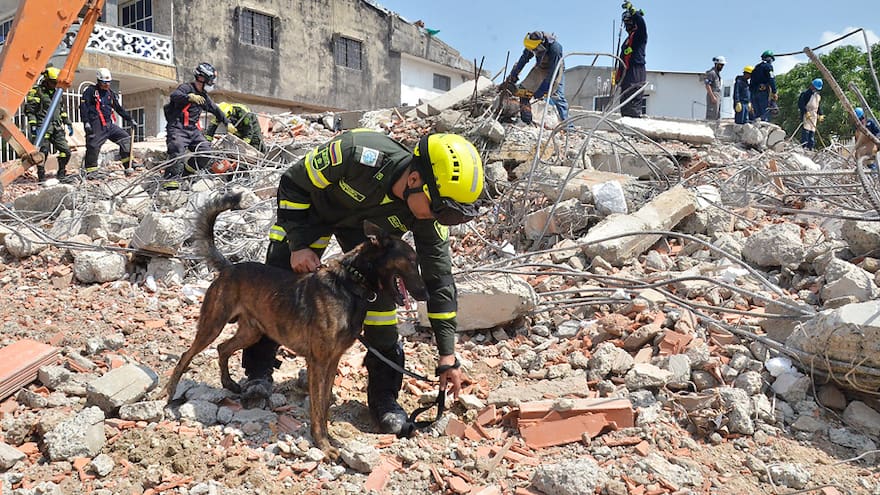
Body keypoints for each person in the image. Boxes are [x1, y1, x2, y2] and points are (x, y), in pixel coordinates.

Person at [248, 129, 484, 436]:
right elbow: (293, 182)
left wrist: (447, 355)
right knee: (276, 291)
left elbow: (439, 281)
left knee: (382, 313)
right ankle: (258, 372)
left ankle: (384, 401)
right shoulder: (356, 153)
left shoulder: (427, 216)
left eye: (451, 216)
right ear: (414, 180)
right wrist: (297, 245)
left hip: (366, 236)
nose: (441, 220)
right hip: (311, 213)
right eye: (441, 209)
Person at [162, 62, 232, 190]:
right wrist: (189, 97)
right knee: (177, 150)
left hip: (193, 130)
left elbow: (215, 109)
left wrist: (227, 122)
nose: (212, 84)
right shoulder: (186, 88)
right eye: (210, 81)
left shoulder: (204, 96)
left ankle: (187, 173)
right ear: (202, 78)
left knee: (206, 152)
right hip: (178, 128)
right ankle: (170, 181)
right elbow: (174, 96)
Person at [502, 31, 569, 125]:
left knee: (558, 97)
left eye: (535, 49)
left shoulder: (555, 48)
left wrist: (543, 89)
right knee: (524, 92)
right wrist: (513, 75)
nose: (534, 51)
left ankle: (568, 127)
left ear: (541, 43)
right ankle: (526, 120)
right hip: (541, 67)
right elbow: (523, 60)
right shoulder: (532, 44)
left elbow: (553, 72)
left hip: (556, 68)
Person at [80, 68, 135, 178]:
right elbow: (83, 107)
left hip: (109, 124)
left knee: (125, 139)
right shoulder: (90, 91)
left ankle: (128, 164)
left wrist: (129, 119)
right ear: (99, 81)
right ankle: (91, 172)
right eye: (104, 83)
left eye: (108, 82)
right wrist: (86, 122)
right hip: (96, 123)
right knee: (93, 145)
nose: (107, 85)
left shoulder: (110, 93)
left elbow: (118, 108)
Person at [24, 67, 73, 183]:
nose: (54, 84)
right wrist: (33, 125)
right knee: (43, 152)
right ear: (46, 80)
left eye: (56, 82)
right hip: (43, 127)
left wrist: (67, 122)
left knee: (66, 151)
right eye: (52, 82)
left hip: (56, 126)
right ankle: (41, 176)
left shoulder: (58, 92)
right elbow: (30, 110)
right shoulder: (37, 91)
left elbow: (61, 109)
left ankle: (61, 173)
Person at [614, 2, 647, 117]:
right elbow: (622, 58)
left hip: (636, 71)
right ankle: (625, 127)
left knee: (633, 100)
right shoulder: (628, 40)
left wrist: (634, 12)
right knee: (624, 100)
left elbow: (642, 24)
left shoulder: (640, 35)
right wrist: (618, 76)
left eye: (629, 22)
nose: (627, 25)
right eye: (625, 23)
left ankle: (633, 129)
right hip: (626, 73)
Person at [749, 50, 777, 122]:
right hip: (763, 93)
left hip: (754, 94)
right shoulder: (768, 67)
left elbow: (751, 82)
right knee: (765, 113)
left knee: (757, 115)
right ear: (769, 58)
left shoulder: (756, 68)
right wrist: (774, 92)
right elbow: (771, 79)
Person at [797, 78, 824, 150]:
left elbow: (818, 106)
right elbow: (801, 104)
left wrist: (820, 114)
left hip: (814, 115)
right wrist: (805, 112)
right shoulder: (805, 94)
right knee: (806, 130)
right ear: (812, 85)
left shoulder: (818, 96)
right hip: (807, 114)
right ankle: (804, 146)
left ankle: (810, 147)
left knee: (812, 131)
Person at [704, 56, 725, 120]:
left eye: (722, 65)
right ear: (716, 64)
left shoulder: (717, 74)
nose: (722, 67)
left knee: (717, 115)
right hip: (713, 94)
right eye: (720, 65)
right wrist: (712, 97)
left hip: (717, 94)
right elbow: (707, 85)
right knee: (712, 115)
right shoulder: (711, 73)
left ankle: (715, 129)